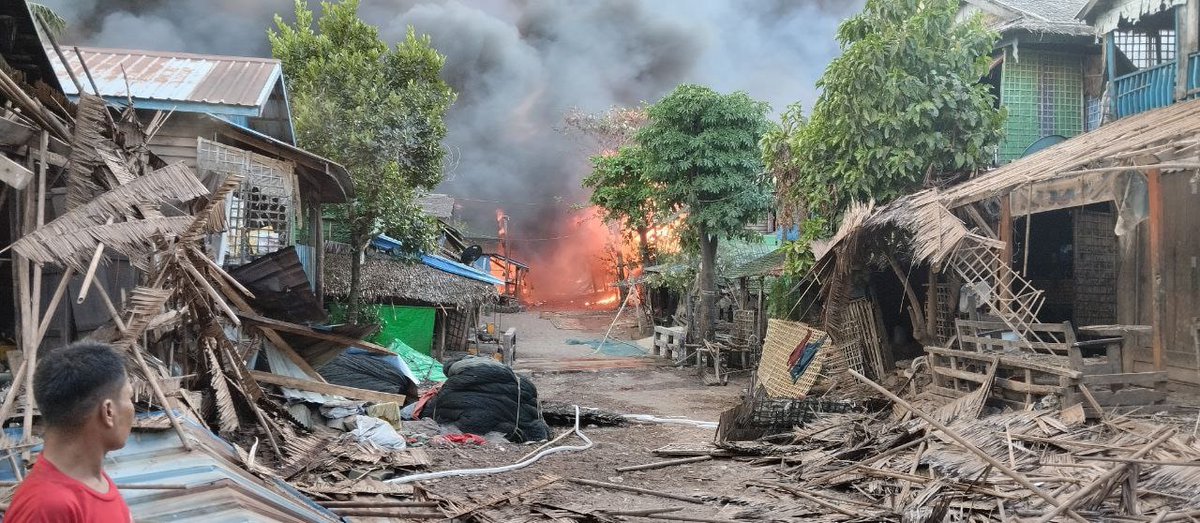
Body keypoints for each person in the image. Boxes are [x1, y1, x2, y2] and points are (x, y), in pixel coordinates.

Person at [5, 342, 135, 522]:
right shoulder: (47, 508)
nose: (132, 408)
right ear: (108, 412)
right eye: (129, 397)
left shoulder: (95, 480)